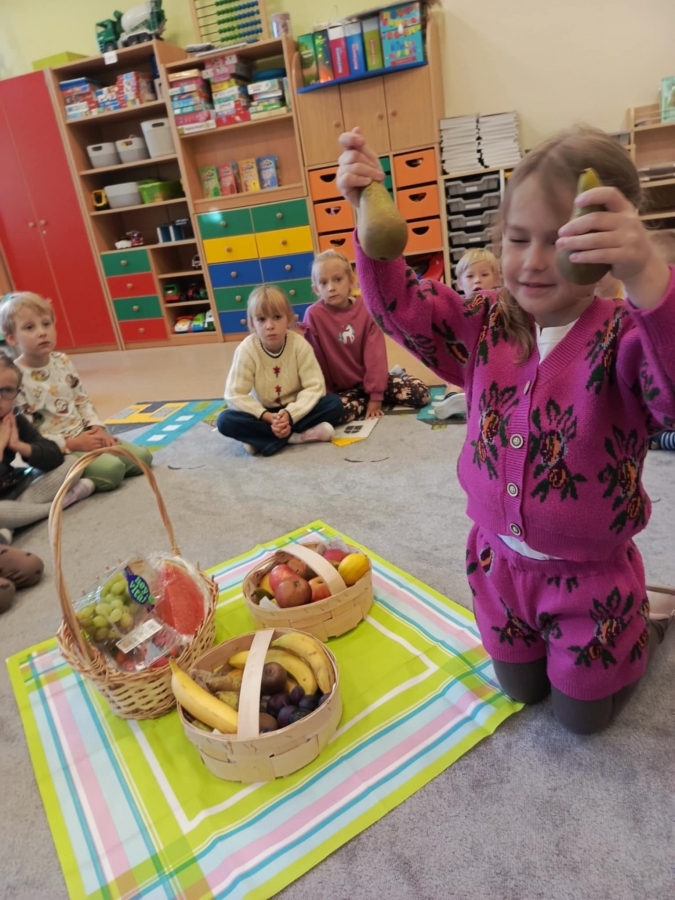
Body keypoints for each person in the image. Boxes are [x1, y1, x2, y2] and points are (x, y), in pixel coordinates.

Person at [337, 125, 675, 734]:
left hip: (591, 585)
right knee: (520, 690)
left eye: (560, 240)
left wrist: (649, 275)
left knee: (583, 721)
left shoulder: (627, 337)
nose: (533, 261)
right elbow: (402, 307)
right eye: (518, 239)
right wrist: (367, 209)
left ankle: (647, 623)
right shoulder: (483, 323)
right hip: (499, 567)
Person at [0, 292, 152, 492]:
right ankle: (66, 484)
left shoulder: (62, 360)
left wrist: (96, 429)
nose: (42, 332)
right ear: (11, 338)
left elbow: (81, 400)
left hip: (84, 434)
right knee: (112, 471)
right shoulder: (13, 377)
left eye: (46, 324)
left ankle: (91, 462)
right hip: (56, 448)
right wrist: (73, 444)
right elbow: (30, 434)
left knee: (143, 458)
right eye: (30, 327)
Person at [301, 249, 430, 423]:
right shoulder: (313, 315)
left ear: (351, 281)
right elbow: (315, 361)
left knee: (421, 394)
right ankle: (363, 401)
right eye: (323, 283)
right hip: (343, 391)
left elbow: (375, 356)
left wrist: (376, 397)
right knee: (333, 414)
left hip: (374, 381)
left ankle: (394, 377)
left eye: (337, 279)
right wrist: (327, 395)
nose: (331, 288)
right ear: (316, 289)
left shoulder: (366, 308)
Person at [217, 285, 343, 456]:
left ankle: (262, 439)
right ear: (252, 323)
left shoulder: (299, 345)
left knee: (334, 404)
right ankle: (295, 437)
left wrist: (290, 414)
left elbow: (315, 386)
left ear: (288, 319)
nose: (270, 326)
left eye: (276, 317)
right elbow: (234, 395)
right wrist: (266, 416)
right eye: (261, 319)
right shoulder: (246, 350)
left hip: (296, 411)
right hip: (264, 413)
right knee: (225, 420)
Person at [0, 352, 90, 542]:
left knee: (72, 463)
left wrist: (18, 445)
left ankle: (11, 523)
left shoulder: (13, 418)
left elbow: (53, 455)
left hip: (17, 489)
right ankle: (59, 505)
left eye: (6, 390)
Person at [436, 249, 502, 420]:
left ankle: (478, 399)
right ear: (459, 283)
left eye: (484, 274)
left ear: (496, 278)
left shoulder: (501, 304)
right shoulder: (459, 308)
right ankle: (453, 400)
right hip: (466, 364)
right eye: (470, 276)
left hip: (492, 364)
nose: (477, 280)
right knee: (455, 383)